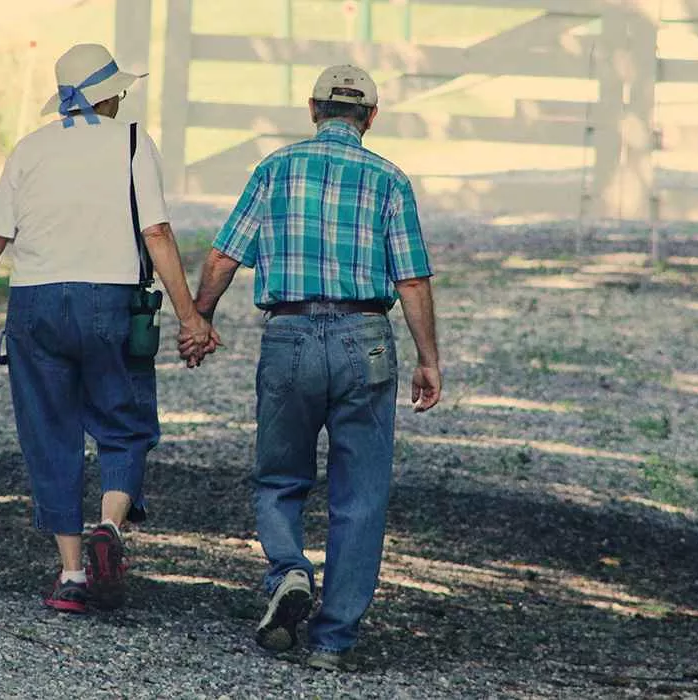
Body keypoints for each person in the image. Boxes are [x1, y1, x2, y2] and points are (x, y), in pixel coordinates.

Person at [182, 65, 442, 671]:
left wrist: (199, 320)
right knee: (362, 494)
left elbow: (224, 256)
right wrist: (428, 359)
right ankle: (332, 641)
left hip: (291, 335)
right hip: (366, 339)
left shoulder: (274, 169)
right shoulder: (389, 180)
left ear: (312, 109)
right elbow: (411, 277)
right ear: (371, 118)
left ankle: (289, 570)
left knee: (279, 476)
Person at [0, 43, 217, 614]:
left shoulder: (28, 150)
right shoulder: (130, 142)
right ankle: (110, 525)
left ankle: (74, 573)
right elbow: (156, 234)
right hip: (111, 299)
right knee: (123, 422)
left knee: (50, 434)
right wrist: (190, 317)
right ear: (109, 95)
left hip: (35, 306)